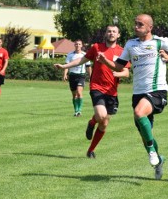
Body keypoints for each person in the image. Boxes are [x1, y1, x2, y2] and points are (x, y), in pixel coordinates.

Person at [97, 14, 168, 179]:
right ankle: (159, 160)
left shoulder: (160, 42)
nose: (136, 27)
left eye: (140, 24)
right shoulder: (130, 44)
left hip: (157, 91)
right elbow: (118, 66)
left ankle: (152, 151)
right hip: (138, 93)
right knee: (146, 135)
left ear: (150, 27)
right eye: (135, 24)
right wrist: (104, 61)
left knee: (139, 113)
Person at [54, 25, 129, 158]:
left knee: (104, 123)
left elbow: (126, 71)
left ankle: (91, 150)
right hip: (97, 87)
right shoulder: (96, 47)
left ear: (118, 35)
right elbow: (81, 60)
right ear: (105, 34)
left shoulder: (122, 52)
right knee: (101, 115)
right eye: (109, 31)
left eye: (114, 31)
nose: (111, 33)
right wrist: (64, 66)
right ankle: (92, 122)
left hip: (112, 91)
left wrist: (118, 75)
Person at [62, 40, 91, 116]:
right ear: (74, 45)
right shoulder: (70, 55)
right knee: (74, 95)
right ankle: (76, 111)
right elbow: (66, 66)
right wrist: (65, 74)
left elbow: (88, 66)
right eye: (76, 44)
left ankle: (79, 111)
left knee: (79, 92)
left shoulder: (85, 55)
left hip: (81, 76)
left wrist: (91, 76)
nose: (78, 45)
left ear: (82, 45)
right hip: (72, 76)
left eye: (79, 44)